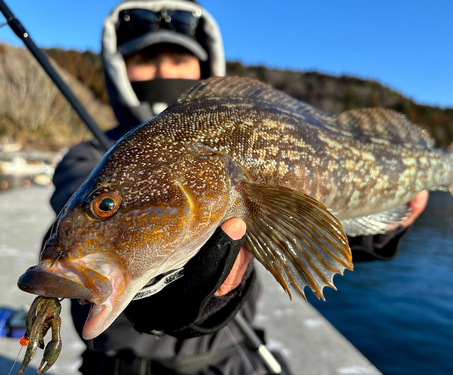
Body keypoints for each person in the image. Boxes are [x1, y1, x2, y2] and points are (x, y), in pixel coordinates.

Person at [46, 0, 428, 374]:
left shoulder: (225, 143)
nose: (164, 70)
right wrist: (160, 291)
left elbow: (321, 231)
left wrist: (386, 225)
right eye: (145, 60)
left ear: (203, 65)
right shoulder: (87, 158)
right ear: (119, 69)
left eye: (179, 59)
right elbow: (76, 205)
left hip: (228, 359)